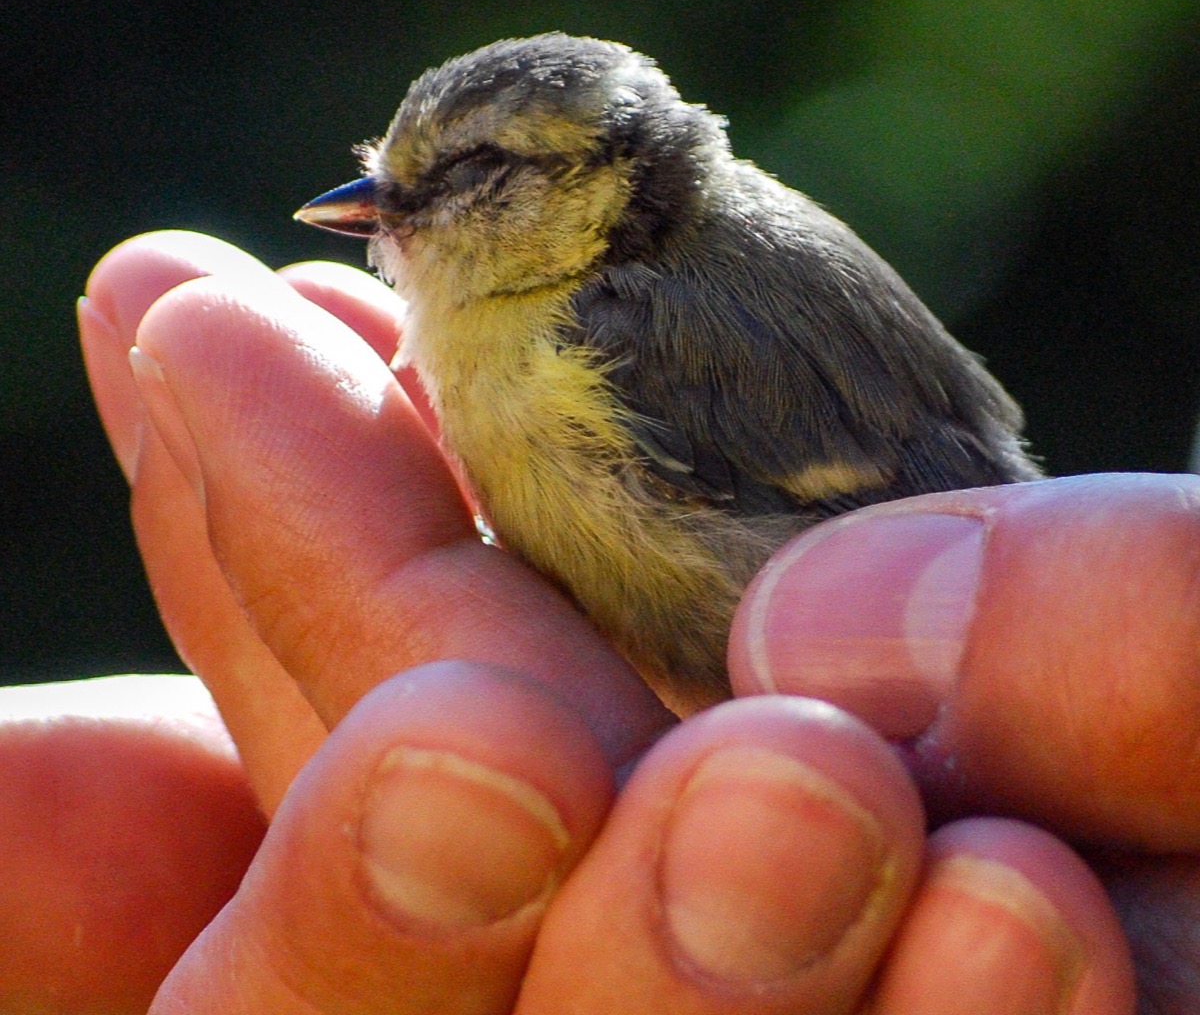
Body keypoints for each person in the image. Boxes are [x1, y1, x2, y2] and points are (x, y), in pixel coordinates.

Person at [5, 229, 1197, 1012]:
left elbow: (924, 515)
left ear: (583, 194)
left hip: (873, 661)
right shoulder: (552, 312)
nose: (388, 211)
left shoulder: (599, 334)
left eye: (468, 177)